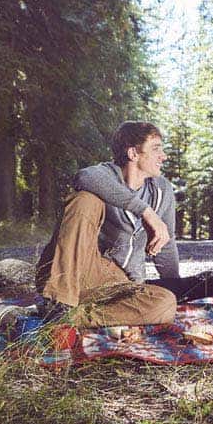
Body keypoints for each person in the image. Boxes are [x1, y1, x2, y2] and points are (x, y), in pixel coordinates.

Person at [35, 121, 177, 327]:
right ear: (133, 153)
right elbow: (84, 176)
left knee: (165, 303)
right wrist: (146, 212)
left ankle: (67, 318)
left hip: (116, 282)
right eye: (156, 149)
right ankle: (60, 301)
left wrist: (174, 285)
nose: (163, 156)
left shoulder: (162, 190)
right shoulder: (103, 175)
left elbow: (167, 244)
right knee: (86, 199)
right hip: (72, 269)